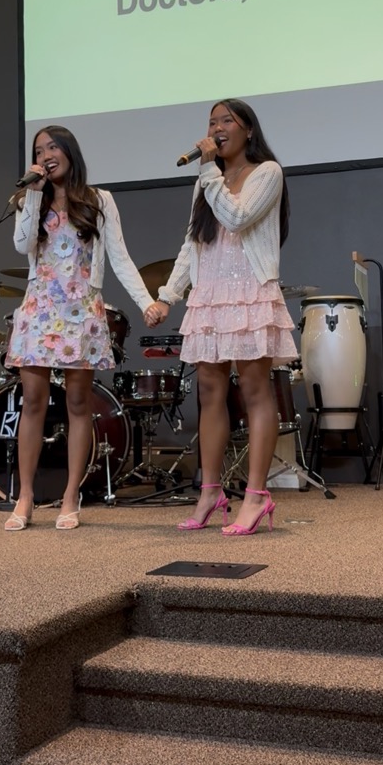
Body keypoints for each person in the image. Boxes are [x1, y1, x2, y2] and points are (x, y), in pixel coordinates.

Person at [145, 99, 297, 536]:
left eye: (225, 120)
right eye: (211, 122)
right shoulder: (207, 181)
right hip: (210, 295)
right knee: (208, 392)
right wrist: (168, 296)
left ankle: (256, 496)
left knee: (254, 391)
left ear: (248, 129)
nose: (215, 128)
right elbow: (193, 244)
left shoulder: (268, 172)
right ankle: (210, 491)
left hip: (249, 290)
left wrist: (208, 170)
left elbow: (238, 216)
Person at [3, 124, 157, 531]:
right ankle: (26, 496)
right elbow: (22, 247)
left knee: (77, 406)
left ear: (70, 152)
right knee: (32, 401)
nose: (46, 153)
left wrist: (145, 302)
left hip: (81, 309)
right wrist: (33, 193)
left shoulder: (99, 200)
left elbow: (120, 258)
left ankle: (71, 496)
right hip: (39, 307)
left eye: (53, 146)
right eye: (39, 149)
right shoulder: (27, 199)